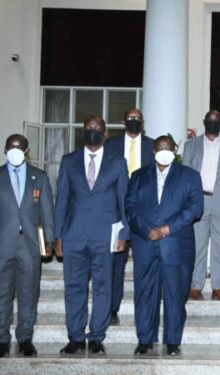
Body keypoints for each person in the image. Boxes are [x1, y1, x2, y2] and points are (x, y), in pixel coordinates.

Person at [54, 115, 129, 355]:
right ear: (82, 132)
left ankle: (97, 336)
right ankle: (75, 336)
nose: (93, 131)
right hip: (73, 234)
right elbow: (62, 201)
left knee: (102, 286)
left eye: (97, 128)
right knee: (74, 286)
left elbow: (123, 202)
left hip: (104, 235)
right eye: (88, 128)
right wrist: (58, 236)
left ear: (105, 133)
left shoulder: (117, 162)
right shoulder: (69, 161)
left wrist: (123, 234)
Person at [0, 134, 54, 358]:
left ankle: (25, 338)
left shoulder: (39, 177)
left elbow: (47, 211)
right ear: (5, 149)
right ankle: (2, 339)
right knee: (1, 294)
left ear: (27, 151)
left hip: (29, 245)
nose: (15, 150)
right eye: (11, 146)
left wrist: (49, 240)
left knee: (29, 293)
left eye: (20, 147)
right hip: (0, 245)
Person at [125, 136, 204, 357]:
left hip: (176, 245)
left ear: (174, 150)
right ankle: (145, 340)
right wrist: (145, 229)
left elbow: (195, 208)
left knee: (175, 295)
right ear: (153, 151)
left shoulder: (190, 176)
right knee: (144, 294)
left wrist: (168, 228)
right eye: (160, 148)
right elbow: (130, 207)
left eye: (169, 148)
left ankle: (172, 341)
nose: (164, 151)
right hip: (145, 243)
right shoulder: (138, 176)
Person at [184, 110, 220, 301]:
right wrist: (185, 202)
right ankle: (196, 286)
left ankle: (218, 287)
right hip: (198, 202)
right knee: (198, 246)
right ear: (204, 122)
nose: (213, 123)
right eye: (210, 120)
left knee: (219, 246)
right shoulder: (191, 145)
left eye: (216, 121)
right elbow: (184, 177)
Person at [104, 107, 155, 325]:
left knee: (144, 264)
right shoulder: (110, 146)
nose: (134, 121)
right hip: (116, 214)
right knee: (116, 264)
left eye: (138, 119)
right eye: (130, 118)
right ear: (124, 121)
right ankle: (112, 308)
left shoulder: (153, 146)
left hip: (143, 216)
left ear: (142, 122)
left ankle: (145, 308)